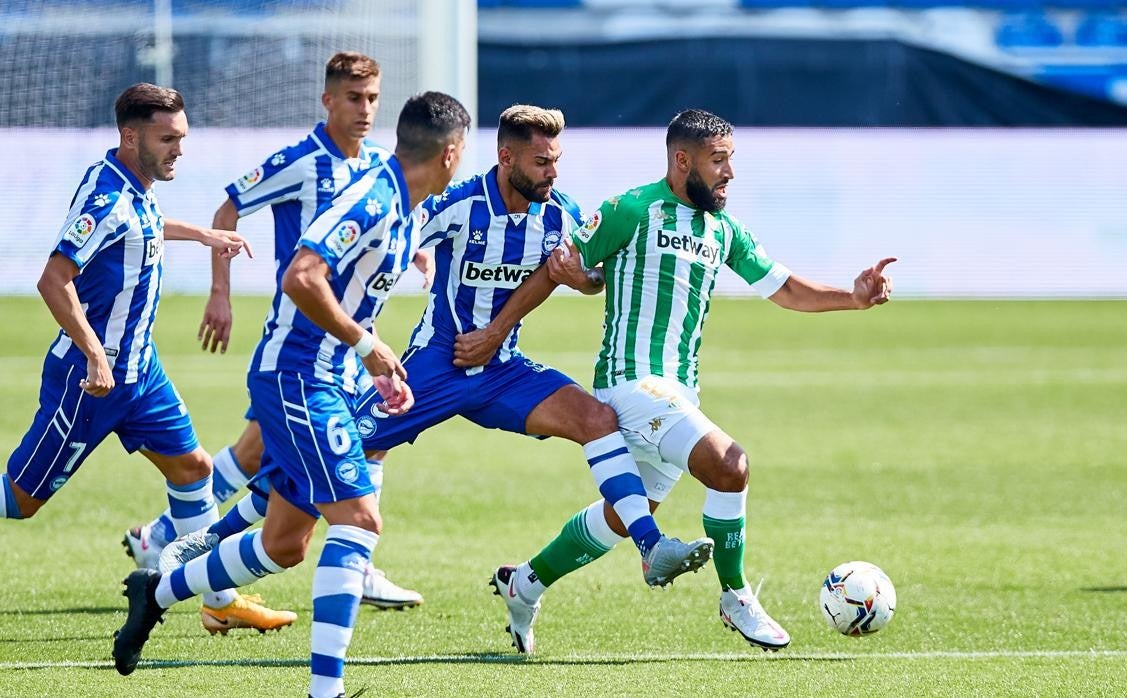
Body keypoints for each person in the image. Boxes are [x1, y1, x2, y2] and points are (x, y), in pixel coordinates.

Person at [165, 105, 718, 656]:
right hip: (433, 367)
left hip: (502, 371)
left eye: (556, 162)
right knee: (329, 459)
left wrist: (578, 284)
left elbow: (583, 275)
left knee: (600, 419)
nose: (553, 173)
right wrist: (397, 275)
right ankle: (213, 537)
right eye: (542, 162)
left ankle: (650, 546)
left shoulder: (560, 214)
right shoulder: (459, 203)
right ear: (506, 158)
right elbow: (398, 238)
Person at [453, 108, 896, 653]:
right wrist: (507, 325)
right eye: (718, 162)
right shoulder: (630, 209)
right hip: (630, 382)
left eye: (731, 161)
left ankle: (524, 583)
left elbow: (784, 289)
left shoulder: (722, 229)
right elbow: (564, 268)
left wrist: (852, 298)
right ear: (682, 161)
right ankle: (735, 596)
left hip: (679, 390)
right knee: (731, 466)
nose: (729, 173)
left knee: (621, 516)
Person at [112, 92, 471, 698]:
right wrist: (364, 346)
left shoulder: (407, 205)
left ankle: (159, 589)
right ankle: (324, 693)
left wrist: (377, 366)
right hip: (298, 377)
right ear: (452, 154)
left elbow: (352, 297)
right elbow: (301, 275)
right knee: (359, 520)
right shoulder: (375, 195)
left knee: (285, 543)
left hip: (326, 378)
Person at [121, 51, 428, 612]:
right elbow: (228, 210)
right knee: (267, 450)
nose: (365, 110)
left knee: (326, 446)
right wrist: (221, 293)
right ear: (328, 100)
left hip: (350, 344)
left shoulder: (380, 167)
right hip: (302, 343)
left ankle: (176, 539)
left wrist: (416, 255)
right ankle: (172, 539)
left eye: (373, 98)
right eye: (354, 98)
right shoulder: (301, 161)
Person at [0, 83, 272, 627]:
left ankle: (217, 603)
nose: (179, 149)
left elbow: (142, 226)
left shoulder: (135, 185)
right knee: (19, 501)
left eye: (182, 138)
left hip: (141, 374)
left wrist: (202, 235)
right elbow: (54, 280)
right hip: (90, 382)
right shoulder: (106, 197)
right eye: (168, 138)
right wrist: (95, 354)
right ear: (131, 135)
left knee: (193, 468)